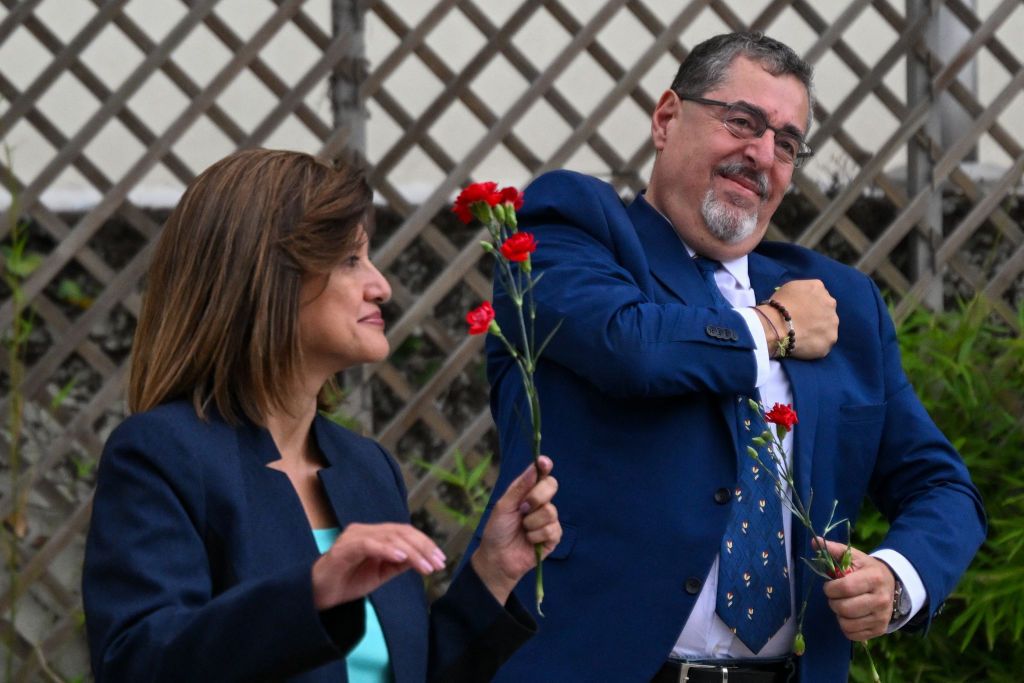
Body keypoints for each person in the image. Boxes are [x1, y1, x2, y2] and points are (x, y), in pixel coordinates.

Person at [471, 32, 984, 682]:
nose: (763, 154)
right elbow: (630, 347)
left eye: (788, 143)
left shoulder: (839, 303)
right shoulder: (573, 231)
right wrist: (772, 328)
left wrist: (897, 575)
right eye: (743, 122)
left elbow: (943, 486)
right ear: (666, 119)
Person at [82, 149, 562, 683]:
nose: (381, 286)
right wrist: (311, 595)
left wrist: (493, 574)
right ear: (265, 276)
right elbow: (137, 666)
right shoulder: (161, 455)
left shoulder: (367, 469)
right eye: (350, 259)